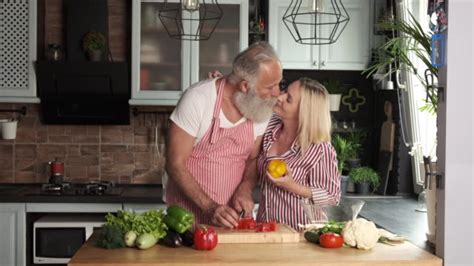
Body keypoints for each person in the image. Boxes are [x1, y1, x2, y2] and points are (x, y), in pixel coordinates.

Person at [165, 42, 283, 228]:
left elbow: (252, 159)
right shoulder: (198, 99)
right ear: (245, 86)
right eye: (269, 87)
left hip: (232, 220)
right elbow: (175, 164)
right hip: (186, 219)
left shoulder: (260, 108)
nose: (277, 93)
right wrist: (209, 207)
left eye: (279, 84)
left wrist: (245, 188)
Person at [255, 78, 341, 230]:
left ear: (303, 112)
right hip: (265, 228)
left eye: (288, 99)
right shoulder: (270, 127)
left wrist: (292, 186)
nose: (280, 97)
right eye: (285, 91)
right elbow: (250, 106)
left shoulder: (320, 149)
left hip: (301, 234)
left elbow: (332, 197)